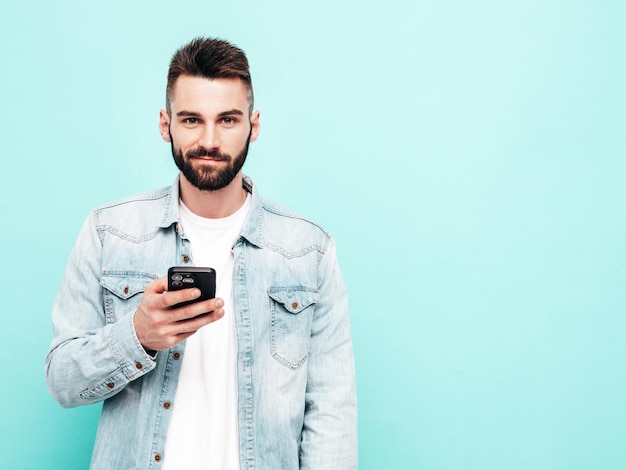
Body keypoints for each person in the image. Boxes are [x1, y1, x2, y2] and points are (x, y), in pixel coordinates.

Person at [45, 37, 357, 469]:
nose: (209, 140)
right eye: (191, 120)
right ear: (165, 124)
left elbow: (332, 414)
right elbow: (62, 381)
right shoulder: (108, 232)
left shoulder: (308, 250)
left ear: (254, 125)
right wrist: (137, 336)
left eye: (227, 120)